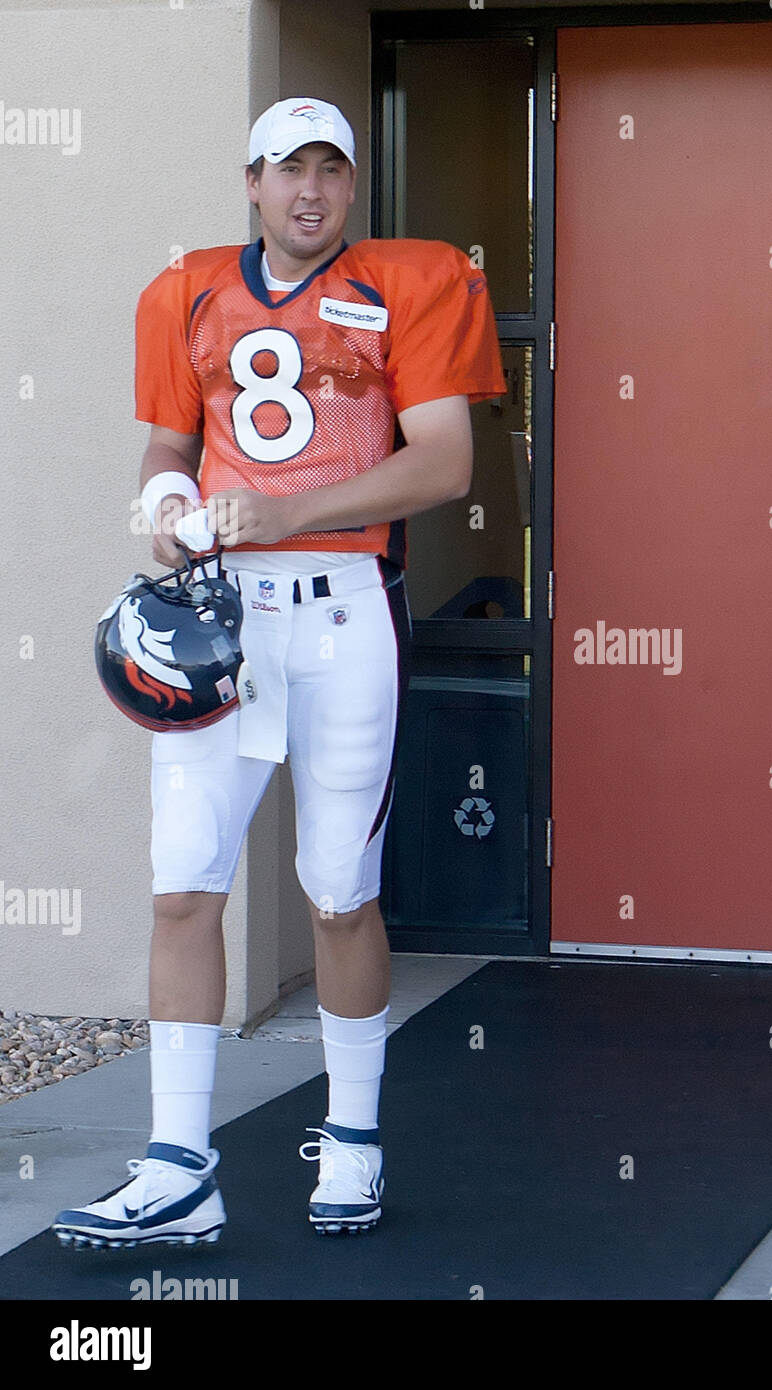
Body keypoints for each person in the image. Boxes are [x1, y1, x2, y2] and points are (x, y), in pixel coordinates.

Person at [54, 97, 505, 1247]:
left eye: (331, 171)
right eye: (287, 169)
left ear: (352, 188)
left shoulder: (411, 281)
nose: (310, 190)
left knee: (338, 891)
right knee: (181, 882)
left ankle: (351, 1141)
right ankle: (177, 1163)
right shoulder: (187, 289)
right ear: (250, 181)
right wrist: (165, 500)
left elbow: (443, 463)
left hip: (344, 614)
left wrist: (281, 511)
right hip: (220, 617)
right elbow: (168, 438)